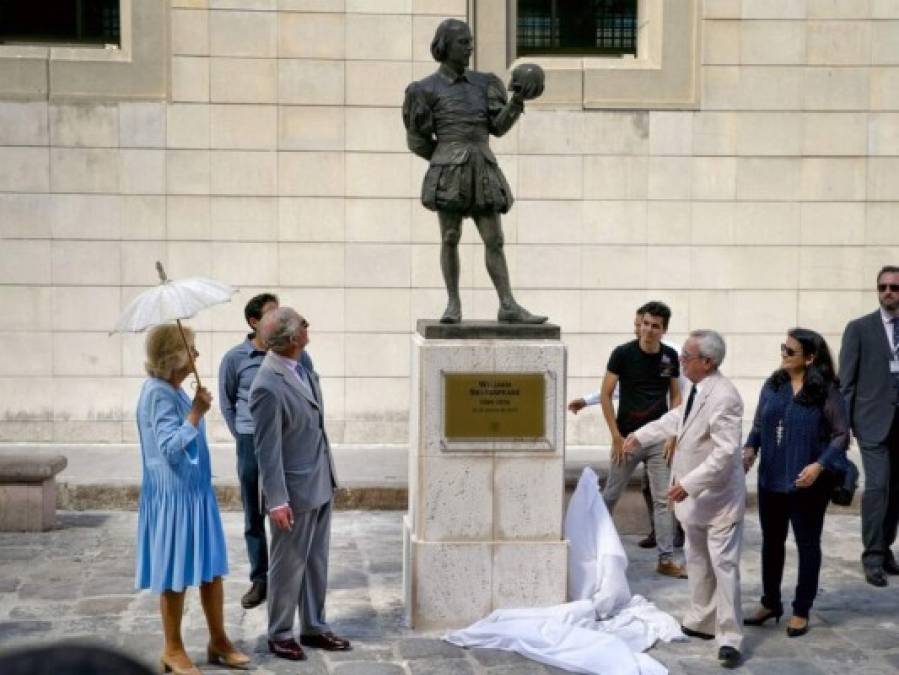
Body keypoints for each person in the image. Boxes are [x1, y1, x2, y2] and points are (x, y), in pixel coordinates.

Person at [403, 18, 546, 324]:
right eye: (463, 42)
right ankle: (453, 304)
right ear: (444, 46)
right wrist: (445, 158)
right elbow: (416, 141)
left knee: (494, 238)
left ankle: (507, 304)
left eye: (470, 41)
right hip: (449, 171)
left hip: (482, 167)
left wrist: (517, 101)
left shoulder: (485, 84)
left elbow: (498, 127)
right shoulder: (425, 89)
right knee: (450, 237)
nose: (469, 47)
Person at [623, 329, 745, 669]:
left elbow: (726, 453)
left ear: (707, 362)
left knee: (724, 567)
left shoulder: (725, 397)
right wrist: (639, 435)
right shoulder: (696, 388)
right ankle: (702, 619)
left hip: (718, 499)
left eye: (687, 356)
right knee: (698, 559)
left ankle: (730, 636)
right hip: (695, 501)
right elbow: (676, 419)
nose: (681, 361)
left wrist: (688, 483)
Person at [135, 324, 249, 674]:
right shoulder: (157, 393)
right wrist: (197, 412)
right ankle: (172, 648)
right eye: (191, 349)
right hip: (174, 498)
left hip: (195, 494)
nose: (197, 356)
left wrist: (194, 405)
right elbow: (169, 447)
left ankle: (218, 640)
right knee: (174, 574)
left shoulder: (174, 389)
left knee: (211, 569)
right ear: (174, 356)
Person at [249, 307, 350, 661]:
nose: (309, 326)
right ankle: (279, 633)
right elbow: (267, 450)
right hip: (292, 491)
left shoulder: (301, 364)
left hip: (320, 478)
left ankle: (314, 626)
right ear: (292, 338)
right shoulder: (267, 386)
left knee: (316, 562)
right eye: (304, 323)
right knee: (288, 564)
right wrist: (276, 500)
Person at [741, 329, 848, 638]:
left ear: (810, 358)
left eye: (791, 351)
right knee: (771, 543)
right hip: (770, 479)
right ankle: (770, 602)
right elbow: (760, 424)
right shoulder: (773, 384)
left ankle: (801, 608)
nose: (784, 355)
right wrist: (750, 450)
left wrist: (819, 465)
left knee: (807, 545)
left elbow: (842, 434)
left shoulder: (825, 389)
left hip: (808, 483)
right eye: (783, 349)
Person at [218, 293, 314, 609]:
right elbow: (228, 402)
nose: (281, 318)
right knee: (253, 512)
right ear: (254, 322)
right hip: (249, 441)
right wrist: (243, 434)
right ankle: (260, 579)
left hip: (286, 442)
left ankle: (290, 575)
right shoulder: (234, 359)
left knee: (287, 508)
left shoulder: (299, 356)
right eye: (273, 314)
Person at [568, 303, 686, 550]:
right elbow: (607, 394)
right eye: (645, 324)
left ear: (664, 330)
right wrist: (615, 437)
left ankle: (666, 557)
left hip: (658, 439)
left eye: (655, 326)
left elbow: (675, 396)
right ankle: (594, 547)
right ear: (639, 324)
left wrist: (672, 436)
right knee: (611, 493)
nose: (649, 330)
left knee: (663, 500)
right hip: (628, 438)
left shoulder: (668, 356)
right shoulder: (623, 354)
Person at [839, 265, 899, 587]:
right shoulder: (859, 328)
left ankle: (886, 548)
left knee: (896, 491)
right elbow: (846, 383)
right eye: (883, 287)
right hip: (872, 422)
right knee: (877, 487)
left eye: (894, 287)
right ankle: (872, 556)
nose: (888, 292)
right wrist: (842, 426)